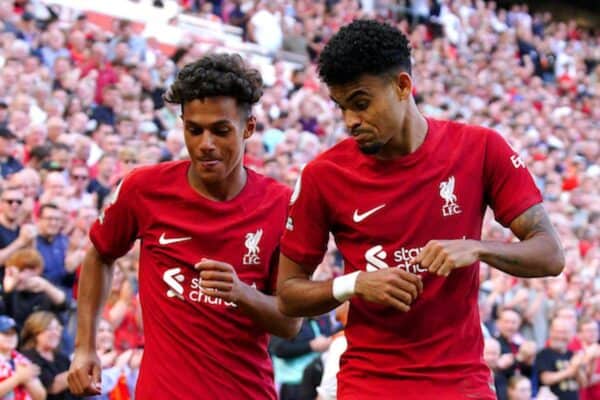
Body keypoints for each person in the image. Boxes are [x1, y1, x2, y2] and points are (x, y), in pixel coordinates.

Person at [276, 20, 564, 400]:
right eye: (342, 107)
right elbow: (288, 295)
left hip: (461, 384)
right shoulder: (323, 176)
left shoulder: (480, 148)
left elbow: (550, 254)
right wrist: (355, 284)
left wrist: (479, 248)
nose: (350, 121)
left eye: (361, 104)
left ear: (402, 86)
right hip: (370, 384)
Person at [67, 53, 300, 399]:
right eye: (194, 130)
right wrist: (85, 347)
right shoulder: (144, 189)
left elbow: (289, 322)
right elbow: (100, 255)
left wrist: (242, 293)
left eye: (221, 130)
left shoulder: (280, 204)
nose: (205, 144)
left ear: (248, 128)